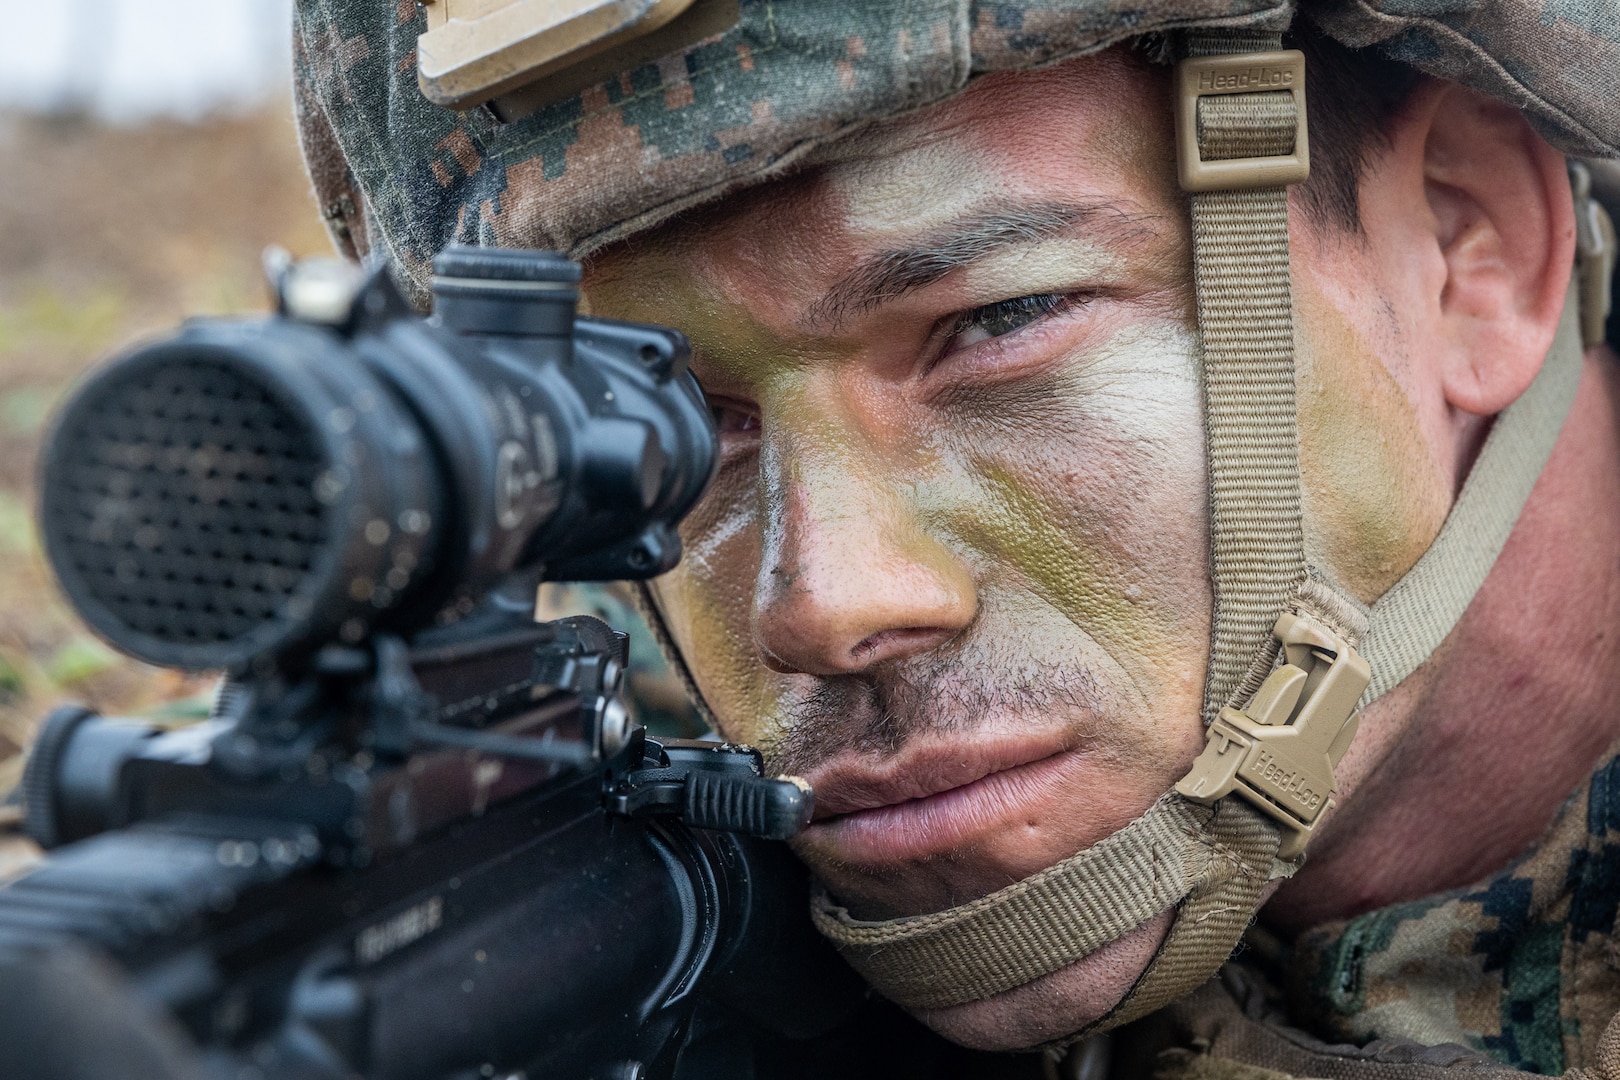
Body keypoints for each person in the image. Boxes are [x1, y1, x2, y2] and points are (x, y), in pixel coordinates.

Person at [293, 1, 1620, 1076]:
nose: (824, 605)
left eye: (999, 322)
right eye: (678, 424)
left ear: (1468, 243)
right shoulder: (599, 855)